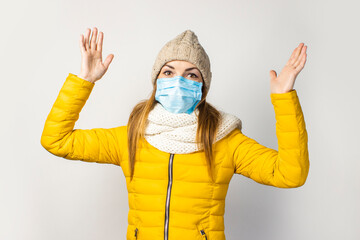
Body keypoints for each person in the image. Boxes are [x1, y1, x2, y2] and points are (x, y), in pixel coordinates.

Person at [40, 27, 309, 240]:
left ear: (203, 88)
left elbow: (290, 174)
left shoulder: (225, 141)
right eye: (169, 72)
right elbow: (56, 140)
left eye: (191, 75)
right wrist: (84, 80)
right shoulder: (131, 137)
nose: (178, 81)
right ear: (157, 81)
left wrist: (283, 98)